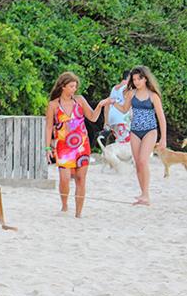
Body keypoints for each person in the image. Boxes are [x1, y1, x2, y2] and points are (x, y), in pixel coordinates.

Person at [44, 72, 110, 218]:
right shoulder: (53, 105)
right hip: (63, 146)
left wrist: (100, 106)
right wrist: (48, 147)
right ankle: (65, 206)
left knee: (81, 179)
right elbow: (49, 127)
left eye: (75, 86)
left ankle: (78, 213)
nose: (74, 89)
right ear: (63, 87)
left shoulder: (79, 100)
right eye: (71, 86)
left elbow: (92, 117)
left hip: (82, 145)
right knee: (65, 178)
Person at [109, 65, 167, 206]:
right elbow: (124, 109)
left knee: (142, 160)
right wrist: (113, 102)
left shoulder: (153, 95)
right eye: (134, 79)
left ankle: (146, 194)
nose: (137, 82)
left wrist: (163, 138)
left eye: (139, 79)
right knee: (138, 164)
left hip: (150, 131)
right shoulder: (131, 94)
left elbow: (161, 117)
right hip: (134, 131)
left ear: (146, 79)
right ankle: (143, 194)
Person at [104, 69, 131, 144]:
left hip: (112, 119)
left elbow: (107, 104)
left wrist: (106, 121)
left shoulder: (114, 88)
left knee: (119, 140)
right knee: (124, 143)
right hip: (122, 119)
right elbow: (130, 103)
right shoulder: (127, 88)